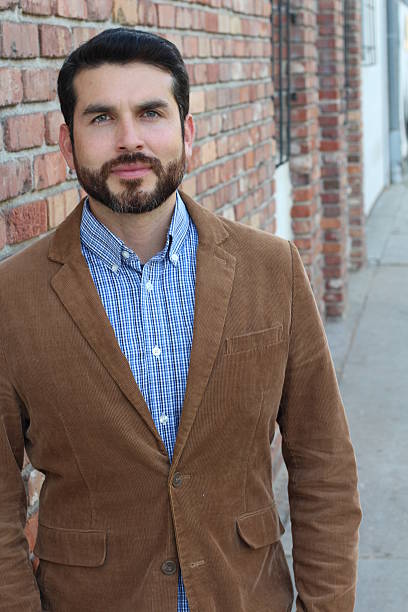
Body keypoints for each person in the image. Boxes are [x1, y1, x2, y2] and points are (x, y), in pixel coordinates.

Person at [0, 28, 362, 612]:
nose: (129, 140)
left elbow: (324, 466)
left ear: (186, 132)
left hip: (247, 595)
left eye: (151, 113)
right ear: (67, 146)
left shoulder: (271, 268)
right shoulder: (12, 297)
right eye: (101, 119)